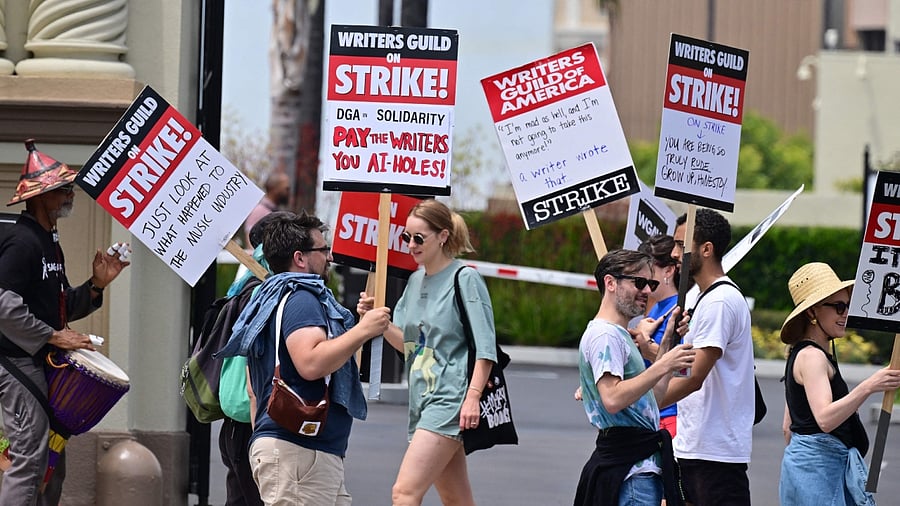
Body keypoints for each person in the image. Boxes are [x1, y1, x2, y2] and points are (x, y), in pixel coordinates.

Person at [217, 211, 390, 506]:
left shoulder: (267, 298)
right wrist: (362, 330)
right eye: (323, 249)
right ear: (300, 257)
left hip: (295, 451)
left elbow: (252, 389)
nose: (330, 256)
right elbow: (310, 363)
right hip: (299, 452)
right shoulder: (302, 298)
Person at [0, 140, 130, 506]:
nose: (71, 193)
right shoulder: (23, 242)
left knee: (50, 463)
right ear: (41, 197)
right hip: (16, 364)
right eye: (63, 189)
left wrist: (96, 286)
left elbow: (56, 307)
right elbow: (3, 305)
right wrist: (53, 336)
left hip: (37, 361)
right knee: (29, 457)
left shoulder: (49, 241)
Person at [357, 199, 496, 506]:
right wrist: (375, 322)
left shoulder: (465, 278)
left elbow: (486, 348)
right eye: (406, 237)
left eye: (419, 238)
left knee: (404, 492)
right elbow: (410, 346)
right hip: (422, 397)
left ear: (443, 236)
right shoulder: (415, 280)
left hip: (450, 398)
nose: (411, 245)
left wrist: (472, 397)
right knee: (456, 499)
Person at [573, 248, 694, 506]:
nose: (647, 291)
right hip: (630, 474)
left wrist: (667, 345)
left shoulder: (618, 335)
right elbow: (613, 398)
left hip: (636, 469)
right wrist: (662, 366)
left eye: (650, 283)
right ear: (610, 283)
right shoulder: (606, 336)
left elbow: (653, 401)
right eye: (638, 282)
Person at [779, 262, 900, 505]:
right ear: (812, 312)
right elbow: (824, 419)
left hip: (809, 470)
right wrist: (869, 386)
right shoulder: (812, 357)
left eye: (847, 306)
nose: (845, 313)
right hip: (820, 472)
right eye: (838, 307)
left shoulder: (803, 353)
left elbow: (787, 427)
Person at [662, 208, 755, 506]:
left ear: (706, 248)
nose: (675, 254)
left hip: (715, 454)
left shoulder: (720, 301)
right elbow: (686, 364)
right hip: (697, 447)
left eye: (680, 244)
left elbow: (693, 378)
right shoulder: (705, 299)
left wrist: (639, 403)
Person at [217, 213, 283, 506]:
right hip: (252, 418)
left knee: (240, 497)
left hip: (236, 417)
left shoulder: (245, 284)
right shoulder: (263, 291)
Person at [632, 234, 681, 437]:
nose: (643, 276)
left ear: (668, 270)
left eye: (649, 270)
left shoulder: (680, 308)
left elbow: (683, 366)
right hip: (651, 412)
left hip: (670, 414)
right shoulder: (655, 307)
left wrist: (646, 343)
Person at [243, 172, 289, 247]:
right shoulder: (259, 211)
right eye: (286, 189)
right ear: (274, 189)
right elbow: (250, 243)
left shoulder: (275, 210)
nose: (288, 192)